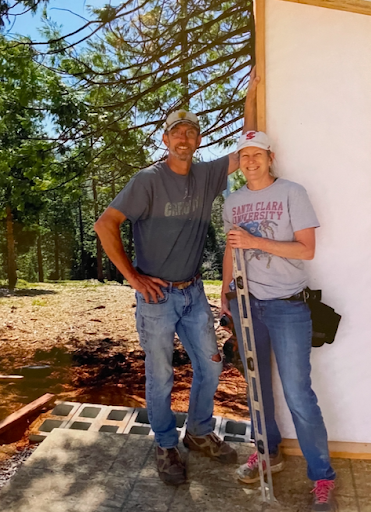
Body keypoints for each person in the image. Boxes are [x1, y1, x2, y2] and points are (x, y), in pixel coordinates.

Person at [94, 70, 260, 486]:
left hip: (193, 293)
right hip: (156, 298)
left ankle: (199, 433)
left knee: (210, 364)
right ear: (165, 140)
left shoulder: (207, 176)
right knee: (161, 373)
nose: (184, 138)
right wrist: (133, 277)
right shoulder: (148, 180)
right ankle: (166, 444)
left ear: (198, 140)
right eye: (177, 132)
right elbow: (105, 224)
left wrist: (252, 92)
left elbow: (247, 145)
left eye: (191, 132)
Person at [220, 130, 337, 511]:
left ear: (270, 156)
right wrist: (225, 290)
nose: (251, 162)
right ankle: (267, 452)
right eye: (244, 156)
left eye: (258, 154)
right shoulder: (233, 200)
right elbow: (230, 247)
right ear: (239, 162)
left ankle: (322, 477)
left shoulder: (292, 193)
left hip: (287, 306)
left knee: (298, 394)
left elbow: (307, 250)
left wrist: (257, 243)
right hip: (246, 305)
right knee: (257, 390)